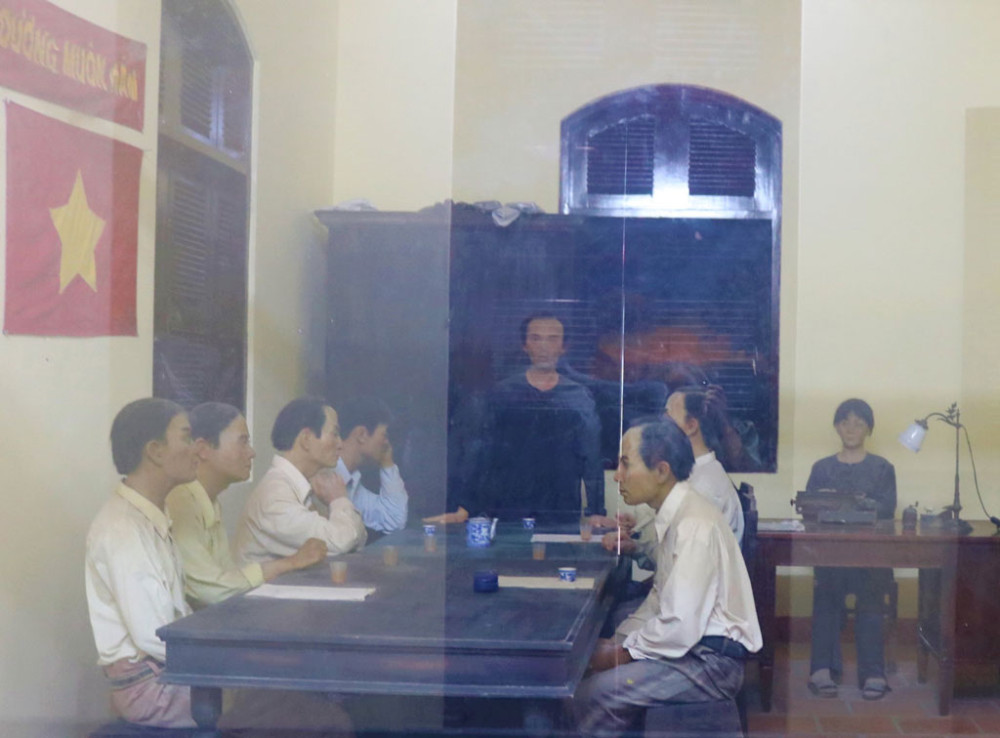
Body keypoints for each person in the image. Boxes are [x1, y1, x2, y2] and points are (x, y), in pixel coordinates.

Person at [574, 420, 761, 737]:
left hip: (712, 663)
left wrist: (621, 653)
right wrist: (619, 641)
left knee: (598, 693)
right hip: (693, 648)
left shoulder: (693, 525)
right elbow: (660, 598)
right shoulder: (678, 512)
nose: (617, 475)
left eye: (625, 464)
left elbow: (679, 624)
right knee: (608, 646)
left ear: (661, 471)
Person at [85, 398, 199, 728]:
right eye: (187, 437)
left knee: (271, 696)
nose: (197, 449)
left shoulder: (148, 515)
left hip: (168, 673)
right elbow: (156, 636)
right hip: (152, 689)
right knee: (265, 702)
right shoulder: (122, 529)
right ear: (155, 451)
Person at [426, 312, 603, 523]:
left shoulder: (578, 396)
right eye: (536, 338)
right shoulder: (502, 394)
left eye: (552, 339)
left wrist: (596, 511)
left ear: (563, 347)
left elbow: (592, 457)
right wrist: (466, 507)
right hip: (507, 507)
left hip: (560, 509)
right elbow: (481, 453)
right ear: (525, 345)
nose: (544, 346)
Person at [166, 402, 328, 609]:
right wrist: (290, 563)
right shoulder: (181, 502)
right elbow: (212, 590)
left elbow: (228, 575)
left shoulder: (208, 500)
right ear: (203, 449)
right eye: (242, 442)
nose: (251, 453)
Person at [806, 398, 896, 701]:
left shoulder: (882, 468)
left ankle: (873, 673)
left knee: (871, 602)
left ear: (869, 428)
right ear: (836, 427)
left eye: (859, 423)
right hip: (830, 556)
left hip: (871, 557)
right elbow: (809, 508)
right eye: (845, 422)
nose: (851, 428)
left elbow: (887, 508)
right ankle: (821, 670)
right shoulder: (821, 468)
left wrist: (850, 503)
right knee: (825, 600)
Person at [235, 397, 367, 562]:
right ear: (306, 439)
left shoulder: (305, 486)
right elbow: (342, 542)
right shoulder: (276, 496)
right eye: (334, 434)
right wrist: (339, 500)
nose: (340, 444)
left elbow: (357, 539)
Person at [334, 396, 408, 533]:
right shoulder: (325, 474)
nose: (387, 443)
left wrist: (387, 463)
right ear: (362, 434)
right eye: (384, 435)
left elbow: (394, 520)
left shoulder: (352, 480)